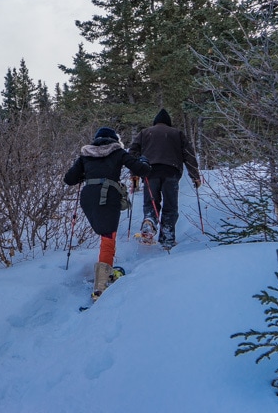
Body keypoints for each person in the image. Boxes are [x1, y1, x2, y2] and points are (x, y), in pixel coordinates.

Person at [64, 127, 151, 301]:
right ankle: (101, 284)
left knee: (105, 234)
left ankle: (107, 270)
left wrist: (86, 173)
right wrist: (143, 161)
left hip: (88, 197)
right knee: (108, 236)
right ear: (114, 140)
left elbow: (69, 179)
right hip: (108, 195)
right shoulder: (117, 152)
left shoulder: (86, 154)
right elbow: (142, 170)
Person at [128, 108, 201, 249]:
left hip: (150, 172)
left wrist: (135, 174)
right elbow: (189, 155)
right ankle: (167, 239)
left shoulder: (144, 133)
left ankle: (149, 221)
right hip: (171, 172)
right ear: (169, 123)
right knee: (170, 207)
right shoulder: (177, 134)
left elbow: (132, 153)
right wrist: (195, 176)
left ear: (155, 122)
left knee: (151, 203)